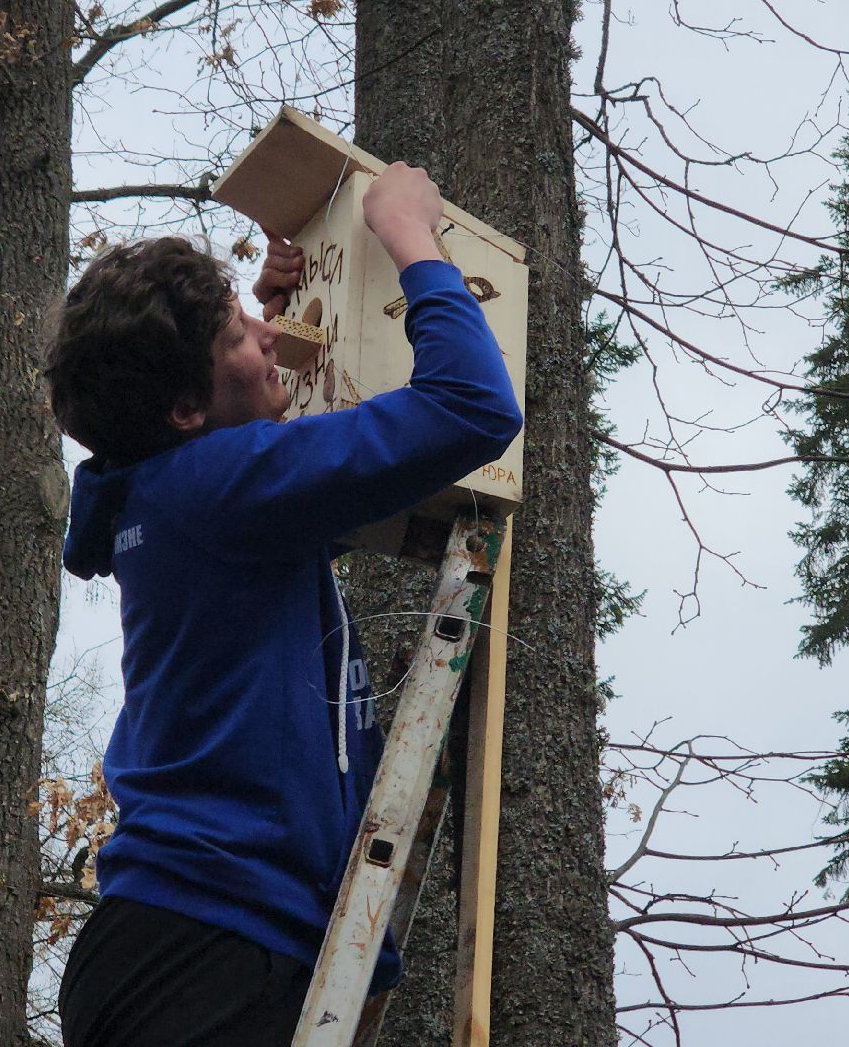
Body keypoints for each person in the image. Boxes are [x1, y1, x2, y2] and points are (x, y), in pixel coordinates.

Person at [48, 163, 521, 1047]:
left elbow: (270, 448)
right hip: (211, 953)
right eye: (243, 334)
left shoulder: (162, 491)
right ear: (186, 407)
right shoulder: (223, 486)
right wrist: (409, 236)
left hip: (171, 944)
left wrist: (255, 334)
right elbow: (471, 406)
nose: (272, 337)